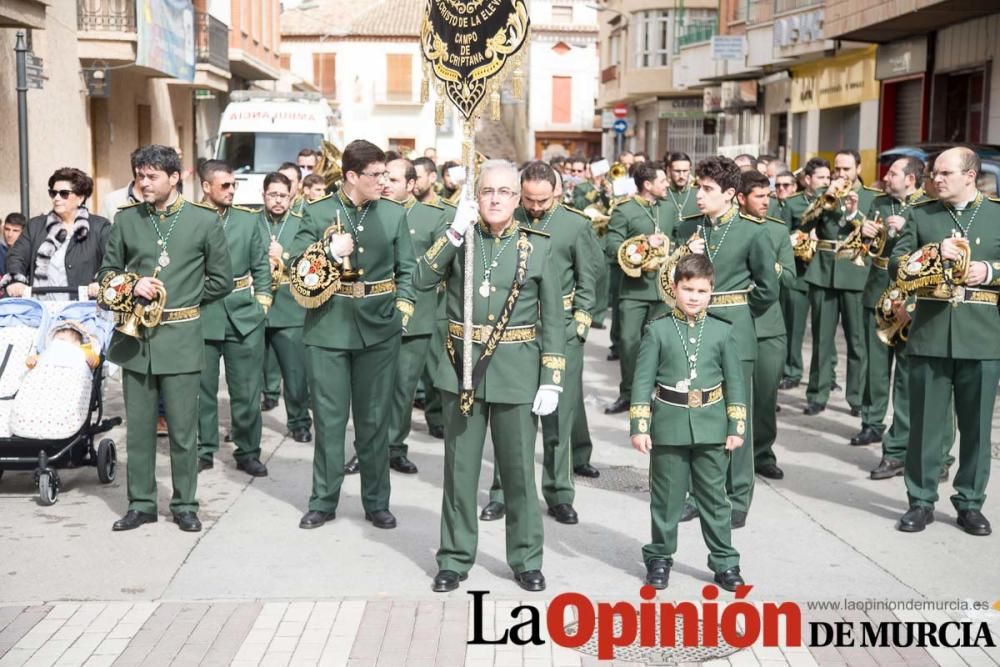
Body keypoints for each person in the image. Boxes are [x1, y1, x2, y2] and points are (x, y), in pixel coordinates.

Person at [417, 159, 564, 593]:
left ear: (518, 200)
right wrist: (453, 232)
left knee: (518, 474)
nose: (495, 198)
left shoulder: (536, 246)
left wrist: (552, 375)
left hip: (517, 369)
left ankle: (526, 558)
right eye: (487, 191)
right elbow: (422, 278)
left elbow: (553, 316)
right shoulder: (460, 238)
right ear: (474, 197)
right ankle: (455, 556)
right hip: (461, 367)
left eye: (504, 192)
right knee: (459, 472)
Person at [97, 144, 233, 533]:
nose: (143, 183)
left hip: (182, 336)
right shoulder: (126, 220)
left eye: (152, 176)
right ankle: (140, 504)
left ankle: (186, 504)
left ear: (175, 178)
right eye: (139, 175)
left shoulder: (204, 221)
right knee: (138, 430)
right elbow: (107, 275)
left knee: (183, 431)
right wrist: (132, 285)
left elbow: (221, 281)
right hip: (135, 340)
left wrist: (183, 300)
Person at [291, 139, 416, 531]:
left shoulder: (394, 215)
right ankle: (323, 501)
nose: (384, 181)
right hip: (328, 325)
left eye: (385, 174)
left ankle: (376, 501)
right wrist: (328, 251)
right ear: (350, 176)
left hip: (379, 328)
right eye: (376, 175)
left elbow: (408, 270)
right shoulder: (317, 212)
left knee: (374, 420)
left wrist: (403, 308)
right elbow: (295, 265)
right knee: (328, 420)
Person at [891, 146, 1000, 536]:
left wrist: (988, 270)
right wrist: (932, 253)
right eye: (934, 173)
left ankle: (970, 503)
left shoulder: (996, 213)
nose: (935, 179)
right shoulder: (921, 214)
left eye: (944, 173)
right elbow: (897, 266)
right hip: (930, 331)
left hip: (983, 336)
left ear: (970, 176)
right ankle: (920, 501)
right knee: (925, 425)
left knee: (976, 428)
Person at [482, 161, 597, 524]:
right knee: (510, 417)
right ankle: (502, 491)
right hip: (514, 329)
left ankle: (559, 492)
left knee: (558, 419)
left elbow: (590, 278)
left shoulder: (575, 225)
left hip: (560, 328)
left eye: (541, 201)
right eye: (528, 200)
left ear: (557, 193)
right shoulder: (507, 222)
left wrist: (580, 324)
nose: (533, 208)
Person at [630, 252, 747, 591]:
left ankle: (725, 562)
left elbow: (735, 382)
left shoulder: (722, 332)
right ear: (674, 288)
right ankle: (659, 557)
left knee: (714, 499)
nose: (694, 297)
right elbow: (641, 381)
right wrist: (640, 426)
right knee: (666, 499)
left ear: (712, 291)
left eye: (701, 291)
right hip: (669, 425)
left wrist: (736, 426)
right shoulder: (659, 330)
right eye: (687, 289)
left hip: (712, 426)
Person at [673, 156, 778, 528]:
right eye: (697, 188)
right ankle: (695, 494)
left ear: (731, 194)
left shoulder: (752, 232)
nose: (699, 196)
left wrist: (739, 314)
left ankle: (736, 496)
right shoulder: (688, 229)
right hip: (691, 329)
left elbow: (767, 289)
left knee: (737, 416)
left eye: (707, 190)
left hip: (734, 331)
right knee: (693, 412)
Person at [195, 160, 272, 477]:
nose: (231, 190)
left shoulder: (247, 220)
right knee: (201, 390)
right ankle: (203, 450)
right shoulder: (191, 218)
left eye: (233, 185)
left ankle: (248, 451)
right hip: (203, 311)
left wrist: (263, 301)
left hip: (243, 311)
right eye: (224, 185)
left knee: (247, 390)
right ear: (206, 187)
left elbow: (261, 266)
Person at [798, 149, 880, 416]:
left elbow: (875, 233)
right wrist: (825, 200)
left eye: (847, 169)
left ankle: (856, 398)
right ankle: (817, 393)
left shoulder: (872, 197)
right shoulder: (825, 193)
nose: (841, 174)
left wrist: (854, 213)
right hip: (824, 271)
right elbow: (804, 221)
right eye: (838, 169)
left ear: (858, 168)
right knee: (821, 338)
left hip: (856, 273)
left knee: (857, 341)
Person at [382, 157, 447, 474]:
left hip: (416, 316)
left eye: (393, 180)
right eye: (383, 178)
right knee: (372, 389)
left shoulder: (432, 217)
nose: (385, 184)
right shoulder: (372, 211)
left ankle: (394, 447)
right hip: (373, 312)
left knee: (403, 389)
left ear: (410, 185)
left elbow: (442, 265)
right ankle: (369, 448)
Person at [738, 170, 794, 480]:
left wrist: (768, 266)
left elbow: (790, 276)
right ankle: (734, 454)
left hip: (769, 325)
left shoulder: (776, 231)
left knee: (765, 395)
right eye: (759, 196)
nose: (766, 202)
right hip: (735, 320)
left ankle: (762, 454)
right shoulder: (731, 228)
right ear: (741, 198)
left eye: (768, 196)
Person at [604, 162, 671, 414]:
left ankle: (657, 395)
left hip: (663, 290)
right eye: (662, 181)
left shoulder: (668, 207)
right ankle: (629, 395)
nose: (667, 185)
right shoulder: (625, 210)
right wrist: (643, 244)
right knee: (630, 343)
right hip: (633, 291)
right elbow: (612, 245)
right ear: (647, 185)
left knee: (659, 345)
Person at [259, 172, 313, 444]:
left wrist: (284, 257)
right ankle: (246, 426)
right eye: (272, 195)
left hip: (290, 308)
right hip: (255, 307)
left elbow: (309, 261)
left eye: (283, 195)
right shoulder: (252, 221)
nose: (278, 201)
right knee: (249, 376)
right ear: (264, 195)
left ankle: (299, 421)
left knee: (295, 374)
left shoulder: (302, 223)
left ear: (291, 196)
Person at [3, 168, 110, 301]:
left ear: (81, 198)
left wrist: (101, 281)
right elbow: (16, 256)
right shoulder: (35, 225)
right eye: (53, 193)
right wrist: (16, 279)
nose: (57, 198)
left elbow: (111, 262)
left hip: (83, 310)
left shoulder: (100, 227)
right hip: (41, 310)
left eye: (64, 193)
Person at [778, 158, 830, 390]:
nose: (825, 182)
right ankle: (792, 370)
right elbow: (783, 234)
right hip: (801, 271)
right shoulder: (793, 204)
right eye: (821, 177)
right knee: (794, 326)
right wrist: (803, 238)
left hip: (827, 273)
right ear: (807, 180)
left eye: (828, 178)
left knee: (825, 329)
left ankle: (827, 376)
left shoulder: (834, 202)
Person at [661, 152, 701, 225]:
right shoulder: (661, 194)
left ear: (690, 170)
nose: (681, 176)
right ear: (669, 170)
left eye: (685, 171)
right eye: (677, 171)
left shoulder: (699, 194)